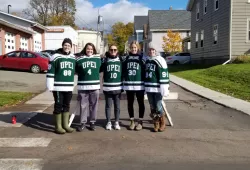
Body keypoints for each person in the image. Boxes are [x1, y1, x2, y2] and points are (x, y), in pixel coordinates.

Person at [46, 38, 75, 134]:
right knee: (58, 105)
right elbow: (50, 71)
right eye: (65, 45)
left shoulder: (72, 57)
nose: (67, 47)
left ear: (71, 47)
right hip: (58, 87)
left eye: (69, 45)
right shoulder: (55, 57)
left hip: (69, 87)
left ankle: (65, 125)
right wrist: (50, 86)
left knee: (66, 105)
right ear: (62, 45)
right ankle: (58, 126)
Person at [75, 43, 102, 131]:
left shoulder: (98, 59)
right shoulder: (79, 59)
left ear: (93, 50)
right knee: (83, 105)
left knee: (94, 105)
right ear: (85, 49)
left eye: (91, 49)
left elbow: (100, 69)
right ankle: (83, 122)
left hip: (94, 86)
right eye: (88, 49)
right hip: (83, 86)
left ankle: (92, 122)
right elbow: (76, 70)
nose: (89, 50)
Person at [145, 43, 169, 132]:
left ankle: (162, 122)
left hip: (157, 88)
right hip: (149, 87)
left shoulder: (160, 60)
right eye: (150, 50)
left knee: (158, 106)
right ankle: (156, 122)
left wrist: (164, 87)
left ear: (155, 51)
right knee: (152, 106)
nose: (151, 51)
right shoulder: (147, 60)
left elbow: (164, 73)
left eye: (153, 50)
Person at [123, 41, 145, 131]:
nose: (133, 49)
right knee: (130, 103)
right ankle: (132, 120)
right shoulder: (126, 58)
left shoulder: (141, 58)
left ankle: (140, 121)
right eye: (132, 47)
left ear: (138, 48)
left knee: (141, 103)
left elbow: (144, 70)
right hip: (129, 85)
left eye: (135, 47)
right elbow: (123, 70)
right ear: (130, 48)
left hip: (139, 85)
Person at [100, 45, 123, 130]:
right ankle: (108, 121)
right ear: (109, 51)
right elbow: (99, 70)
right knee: (108, 106)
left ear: (117, 51)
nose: (113, 51)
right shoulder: (105, 61)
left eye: (115, 49)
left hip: (117, 87)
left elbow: (123, 73)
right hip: (108, 87)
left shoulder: (120, 61)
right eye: (111, 50)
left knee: (117, 106)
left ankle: (116, 122)